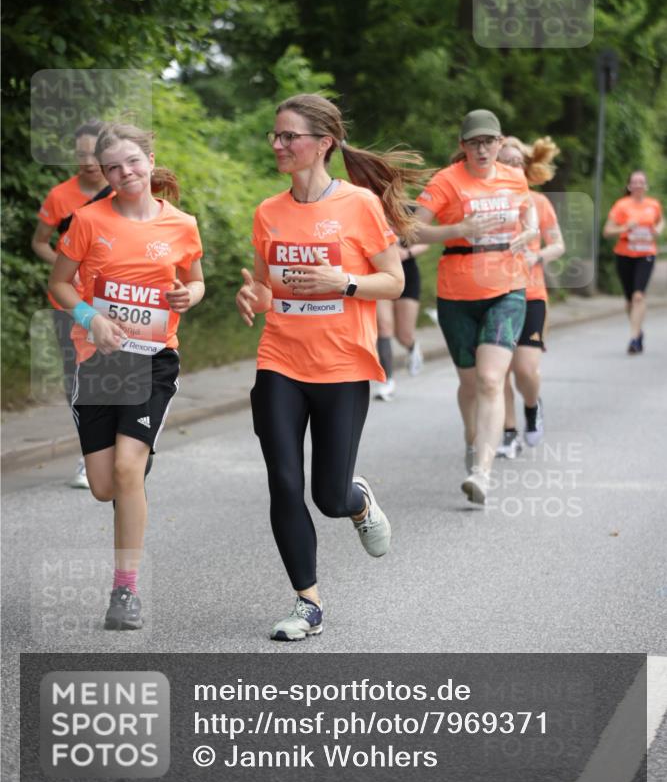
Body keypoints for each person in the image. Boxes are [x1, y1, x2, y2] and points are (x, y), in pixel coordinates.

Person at [236, 93, 428, 641]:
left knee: (328, 496)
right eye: (275, 136)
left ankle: (357, 500)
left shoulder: (360, 206)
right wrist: (250, 297)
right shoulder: (268, 212)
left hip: (342, 365)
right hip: (280, 360)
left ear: (322, 144)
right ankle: (308, 603)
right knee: (283, 483)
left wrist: (341, 283)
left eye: (288, 136)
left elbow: (392, 281)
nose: (278, 144)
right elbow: (266, 287)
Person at [49, 123, 204, 630]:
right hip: (99, 360)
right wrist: (90, 317)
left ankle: (125, 592)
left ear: (151, 160)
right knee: (101, 486)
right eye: (114, 167)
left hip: (153, 359)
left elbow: (195, 280)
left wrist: (189, 295)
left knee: (125, 471)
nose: (125, 173)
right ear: (104, 174)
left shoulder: (182, 224)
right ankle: (130, 474)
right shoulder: (88, 221)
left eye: (133, 162)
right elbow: (61, 284)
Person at [414, 109, 537, 504]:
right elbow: (414, 228)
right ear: (463, 146)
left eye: (489, 141)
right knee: (469, 383)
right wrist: (456, 230)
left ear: (501, 143)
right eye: (474, 142)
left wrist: (531, 229)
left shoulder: (514, 177)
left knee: (489, 379)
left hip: (508, 289)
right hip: (457, 294)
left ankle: (483, 472)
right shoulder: (446, 181)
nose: (482, 148)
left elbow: (528, 210)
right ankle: (474, 444)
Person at [32, 120, 110, 488]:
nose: (88, 162)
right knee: (77, 378)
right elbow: (40, 243)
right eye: (81, 155)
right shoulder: (60, 196)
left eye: (95, 154)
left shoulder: (120, 192)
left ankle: (118, 449)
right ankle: (88, 455)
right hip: (68, 303)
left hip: (113, 303)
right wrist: (68, 271)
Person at [495, 136, 565, 455]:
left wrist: (539, 257)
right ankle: (509, 433)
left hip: (531, 293)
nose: (510, 167)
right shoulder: (488, 201)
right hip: (495, 292)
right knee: (502, 368)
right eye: (504, 162)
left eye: (515, 162)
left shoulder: (539, 203)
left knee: (525, 369)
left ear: (525, 167)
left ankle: (532, 406)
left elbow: (558, 244)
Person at [603, 171, 664, 353]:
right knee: (630, 301)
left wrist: (657, 230)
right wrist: (624, 227)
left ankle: (634, 339)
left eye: (641, 182)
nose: (638, 185)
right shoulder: (621, 206)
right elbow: (607, 231)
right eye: (635, 182)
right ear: (629, 186)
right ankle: (638, 330)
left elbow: (661, 222)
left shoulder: (653, 205)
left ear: (646, 186)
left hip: (646, 254)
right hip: (624, 254)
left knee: (639, 296)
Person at [373, 238, 430, 400]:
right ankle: (387, 381)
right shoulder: (370, 213)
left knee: (403, 335)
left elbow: (426, 241)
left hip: (407, 275)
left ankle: (412, 347)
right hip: (381, 274)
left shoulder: (410, 212)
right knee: (384, 326)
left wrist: (406, 253)